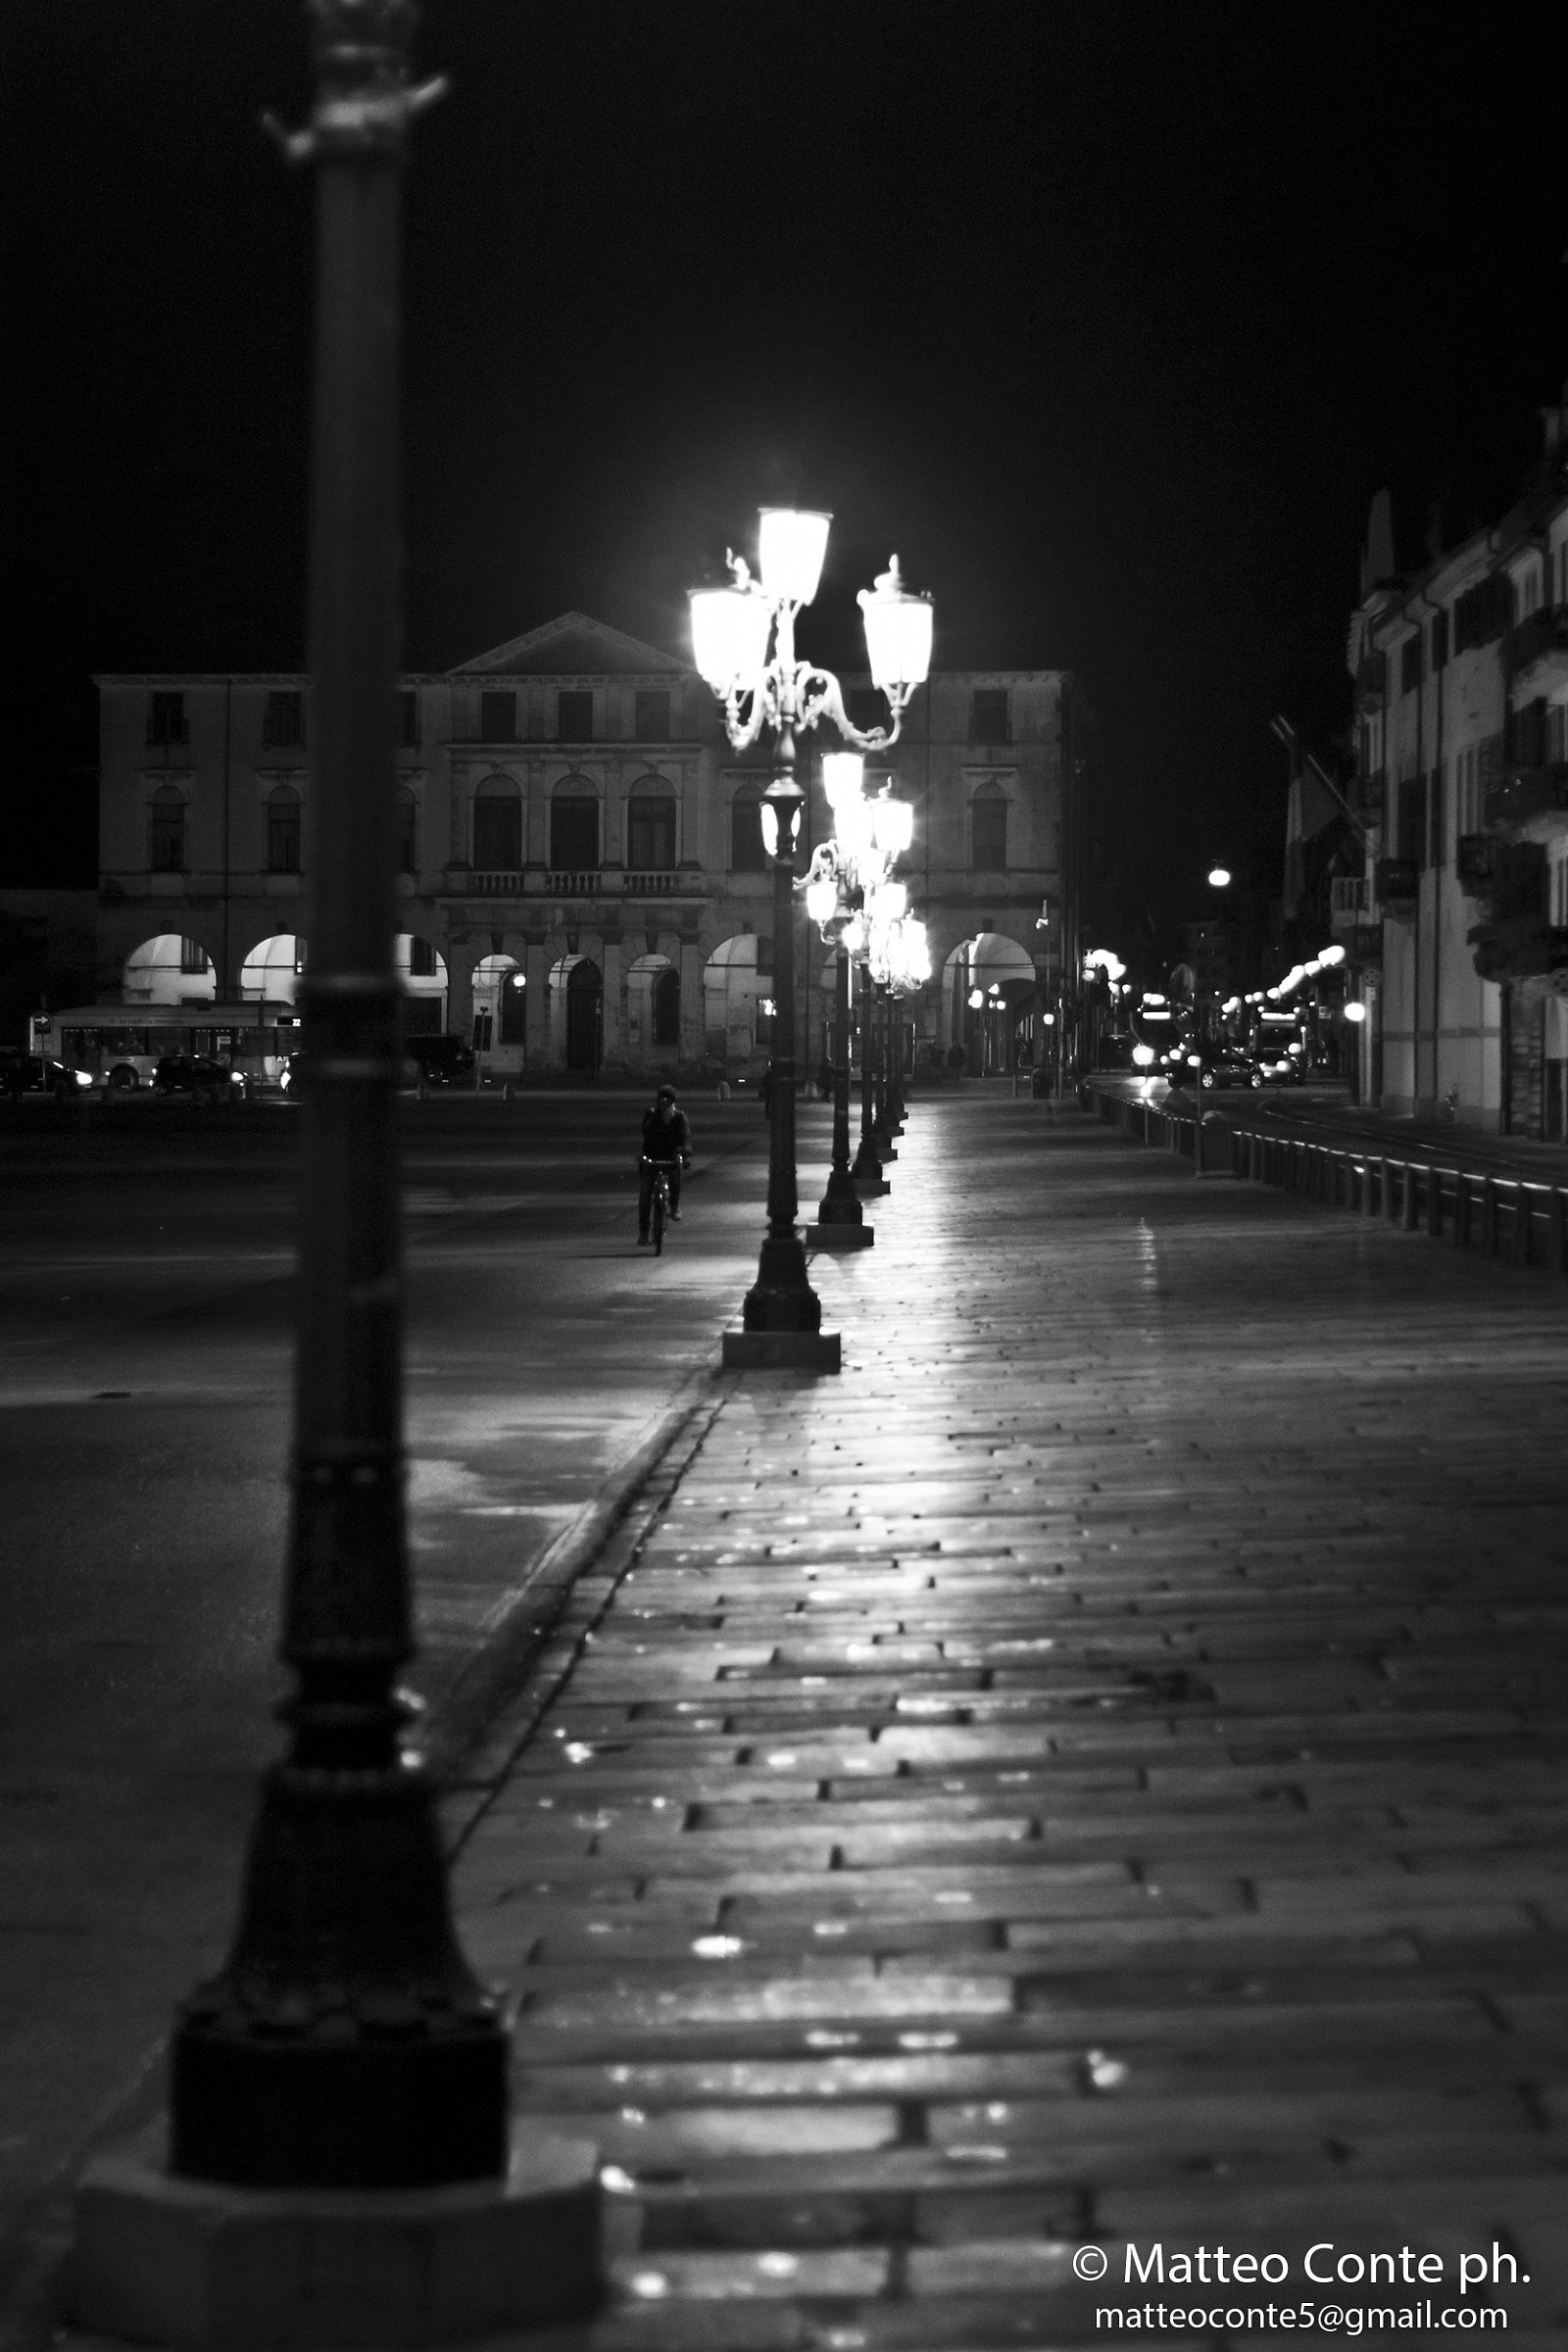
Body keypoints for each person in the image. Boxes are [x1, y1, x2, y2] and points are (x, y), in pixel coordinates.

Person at [638, 1083, 692, 1243]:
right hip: (651, 1156)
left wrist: (686, 1154)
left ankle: (674, 1207)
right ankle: (643, 1231)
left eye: (668, 1099)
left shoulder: (679, 1116)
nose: (664, 1102)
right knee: (645, 1196)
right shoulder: (651, 1113)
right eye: (662, 1099)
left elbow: (686, 1137)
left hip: (670, 1156)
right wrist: (658, 1117)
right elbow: (645, 1131)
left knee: (675, 1181)